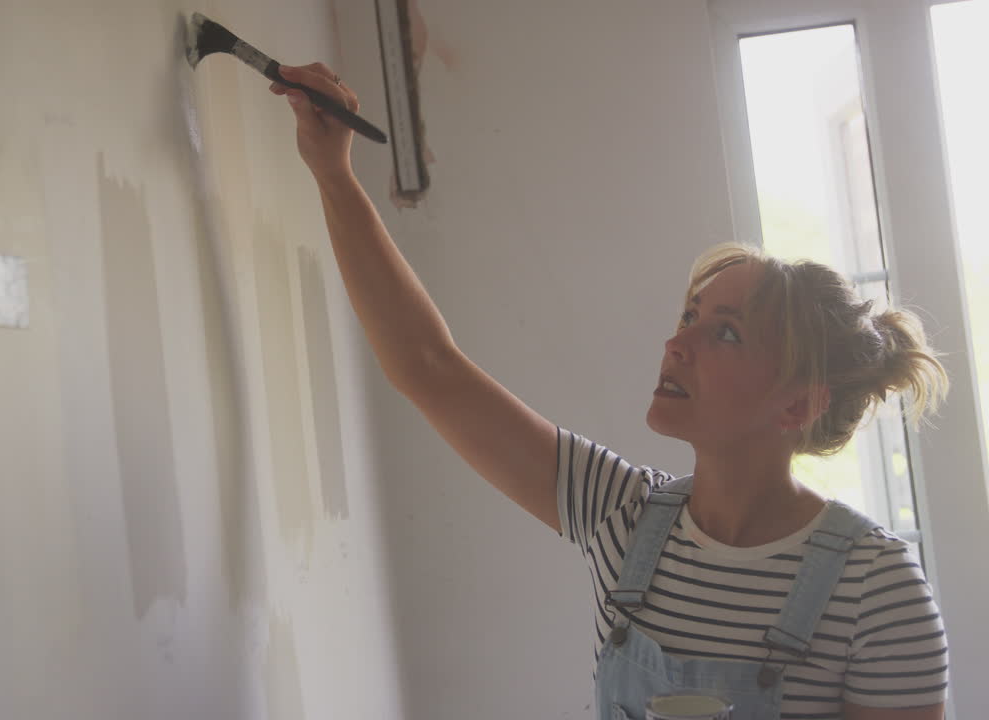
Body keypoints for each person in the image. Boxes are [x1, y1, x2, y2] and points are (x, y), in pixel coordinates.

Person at [271, 63, 951, 720]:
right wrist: (332, 174)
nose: (675, 343)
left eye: (727, 334)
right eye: (689, 317)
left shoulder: (876, 588)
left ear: (798, 405)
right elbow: (427, 367)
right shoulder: (620, 516)